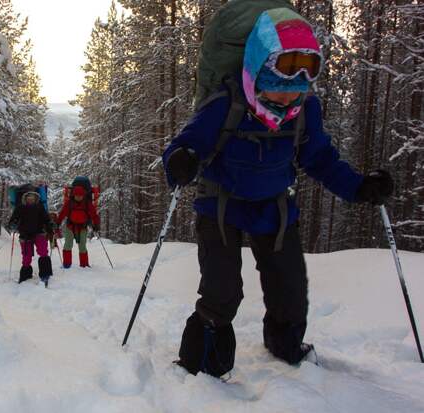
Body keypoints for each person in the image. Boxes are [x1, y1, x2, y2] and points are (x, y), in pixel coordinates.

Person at [162, 7, 394, 379]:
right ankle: (200, 368)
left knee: (290, 288)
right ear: (256, 73)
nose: (287, 103)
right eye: (279, 90)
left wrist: (360, 187)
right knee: (222, 292)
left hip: (272, 206)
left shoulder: (305, 110)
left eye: (296, 94)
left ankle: (286, 346)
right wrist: (180, 161)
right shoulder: (226, 103)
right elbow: (186, 144)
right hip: (220, 204)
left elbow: (320, 158)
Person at [6, 187, 54, 283]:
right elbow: (13, 220)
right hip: (25, 235)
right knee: (26, 257)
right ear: (25, 198)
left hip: (39, 233)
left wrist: (50, 226)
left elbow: (46, 219)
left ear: (36, 198)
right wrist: (13, 224)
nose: (31, 199)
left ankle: (45, 274)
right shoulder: (20, 207)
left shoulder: (40, 207)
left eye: (32, 197)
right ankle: (25, 275)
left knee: (43, 252)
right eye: (29, 197)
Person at [56, 185, 100, 268]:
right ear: (74, 195)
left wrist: (96, 225)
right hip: (70, 226)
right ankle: (66, 264)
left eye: (80, 196)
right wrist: (58, 222)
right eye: (77, 196)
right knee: (68, 245)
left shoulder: (87, 203)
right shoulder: (69, 203)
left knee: (82, 246)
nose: (79, 197)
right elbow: (62, 213)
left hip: (83, 227)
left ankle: (84, 265)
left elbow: (94, 215)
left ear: (83, 195)